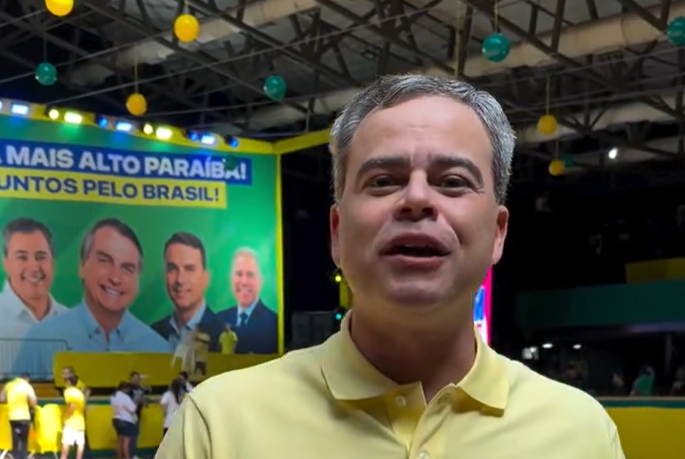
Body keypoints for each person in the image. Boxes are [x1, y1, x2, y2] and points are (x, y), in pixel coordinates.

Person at [156, 75, 625, 459]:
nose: (417, 198)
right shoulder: (218, 425)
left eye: (453, 181)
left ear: (498, 233)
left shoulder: (580, 434)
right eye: (383, 181)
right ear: (337, 233)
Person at [14, 218, 169, 376]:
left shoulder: (159, 351)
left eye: (127, 268)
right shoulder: (40, 341)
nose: (115, 278)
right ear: (82, 266)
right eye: (105, 261)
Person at [151, 232, 224, 352]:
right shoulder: (153, 334)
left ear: (205, 278)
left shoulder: (224, 337)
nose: (180, 280)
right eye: (172, 269)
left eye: (189, 269)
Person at [0, 217, 67, 338]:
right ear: (6, 264)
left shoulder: (72, 323)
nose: (34, 267)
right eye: (22, 257)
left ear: (52, 263)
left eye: (40, 257)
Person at [216, 248, 278, 354]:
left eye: (250, 275)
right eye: (239, 274)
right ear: (231, 279)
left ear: (260, 281)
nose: (244, 281)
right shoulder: (218, 320)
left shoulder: (274, 324)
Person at [0, 373, 36, 459]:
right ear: (27, 379)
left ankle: (15, 456)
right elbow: (33, 402)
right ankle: (23, 456)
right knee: (24, 441)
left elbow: (1, 399)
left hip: (12, 416)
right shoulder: (27, 386)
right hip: (24, 416)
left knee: (15, 440)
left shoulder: (9, 385)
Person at [60, 375, 86, 459]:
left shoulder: (68, 391)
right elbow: (83, 408)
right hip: (80, 423)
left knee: (65, 447)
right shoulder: (80, 393)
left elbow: (72, 405)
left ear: (69, 382)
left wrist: (66, 419)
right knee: (80, 445)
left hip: (70, 423)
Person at [111, 382, 137, 459]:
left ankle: (119, 457)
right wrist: (136, 403)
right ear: (124, 389)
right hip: (126, 420)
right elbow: (133, 409)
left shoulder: (113, 396)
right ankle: (127, 457)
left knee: (119, 440)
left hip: (116, 419)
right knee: (126, 441)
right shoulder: (125, 397)